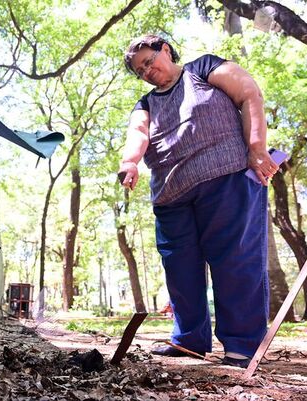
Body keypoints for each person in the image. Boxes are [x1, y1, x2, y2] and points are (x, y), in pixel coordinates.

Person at [119, 35, 278, 368]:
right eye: (140, 71)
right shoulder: (146, 103)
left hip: (225, 178)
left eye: (150, 61)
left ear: (165, 49)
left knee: (234, 258)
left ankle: (241, 346)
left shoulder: (203, 69)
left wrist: (257, 147)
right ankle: (189, 339)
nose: (148, 72)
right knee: (180, 268)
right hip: (171, 195)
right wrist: (130, 161)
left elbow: (249, 92)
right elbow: (138, 133)